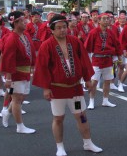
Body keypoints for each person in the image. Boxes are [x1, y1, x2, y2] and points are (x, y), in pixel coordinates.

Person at [32, 15, 102, 156]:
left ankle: (88, 143)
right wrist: (46, 88)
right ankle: (60, 147)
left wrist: (87, 79)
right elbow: (42, 68)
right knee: (58, 118)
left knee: (81, 115)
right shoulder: (47, 45)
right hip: (57, 90)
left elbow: (84, 61)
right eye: (59, 28)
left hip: (75, 89)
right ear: (52, 30)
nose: (63, 30)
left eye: (64, 27)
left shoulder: (75, 41)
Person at [0, 11, 36, 134]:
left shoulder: (25, 35)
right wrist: (8, 77)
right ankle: (20, 126)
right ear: (15, 23)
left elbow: (31, 51)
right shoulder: (12, 38)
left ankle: (7, 112)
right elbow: (8, 58)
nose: (25, 22)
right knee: (16, 99)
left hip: (25, 72)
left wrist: (33, 67)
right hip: (15, 73)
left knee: (22, 97)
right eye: (22, 21)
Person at [84, 13, 122, 109]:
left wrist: (118, 58)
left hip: (108, 60)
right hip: (97, 60)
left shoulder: (111, 33)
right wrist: (87, 60)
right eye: (104, 19)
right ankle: (91, 101)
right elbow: (87, 47)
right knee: (94, 81)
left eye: (108, 19)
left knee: (107, 80)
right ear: (99, 21)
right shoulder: (93, 32)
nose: (106, 20)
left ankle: (105, 100)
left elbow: (117, 45)